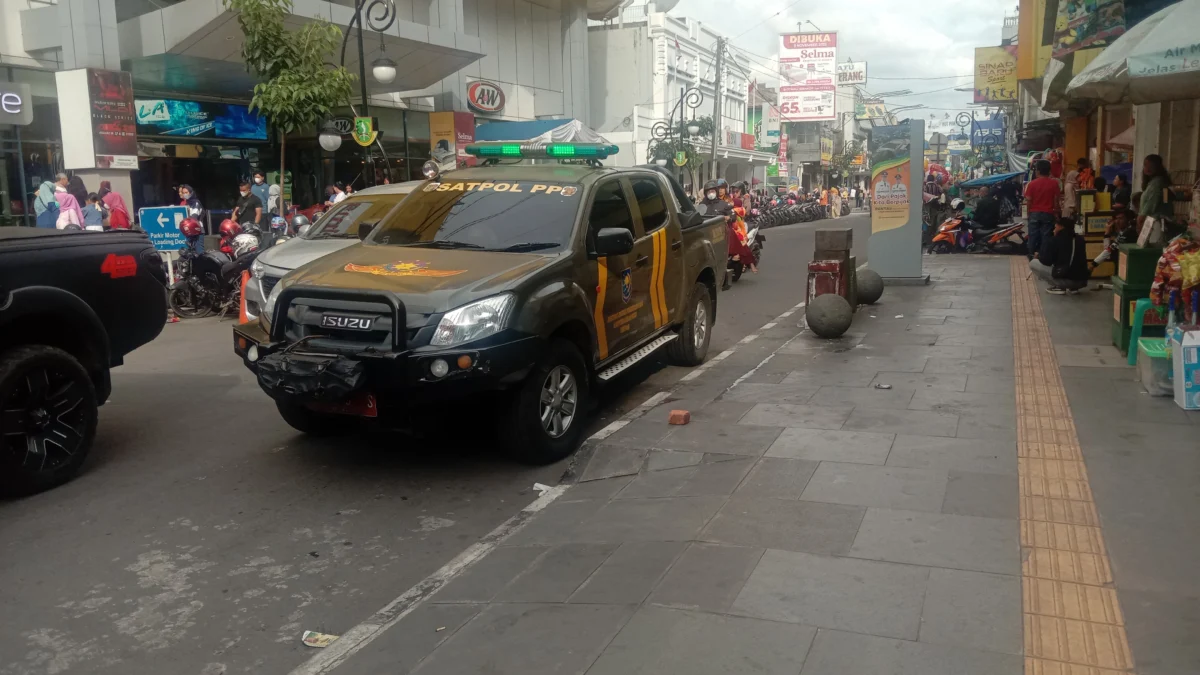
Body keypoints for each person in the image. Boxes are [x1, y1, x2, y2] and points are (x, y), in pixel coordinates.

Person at [1030, 216, 1089, 294]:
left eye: (1055, 227)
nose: (1054, 229)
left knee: (1033, 263)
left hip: (1066, 280)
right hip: (1082, 281)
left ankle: (1059, 287)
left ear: (1061, 227)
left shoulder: (1054, 240)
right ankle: (1073, 288)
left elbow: (1046, 261)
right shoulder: (1080, 239)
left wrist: (1039, 256)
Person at [1024, 159, 1060, 258]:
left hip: (1034, 213)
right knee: (1046, 237)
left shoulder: (1031, 184)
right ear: (1049, 171)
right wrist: (1057, 213)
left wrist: (1028, 214)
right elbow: (1056, 201)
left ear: (1038, 171)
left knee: (1033, 236)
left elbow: (1029, 201)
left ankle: (1031, 255)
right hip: (1048, 214)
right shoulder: (1054, 183)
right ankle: (1044, 256)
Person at [1138, 153, 1173, 231]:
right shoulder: (1155, 183)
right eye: (1145, 165)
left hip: (1156, 221)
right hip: (1154, 220)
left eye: (1151, 165)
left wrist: (1142, 215)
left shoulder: (1158, 182)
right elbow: (1165, 199)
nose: (1147, 168)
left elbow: (1153, 200)